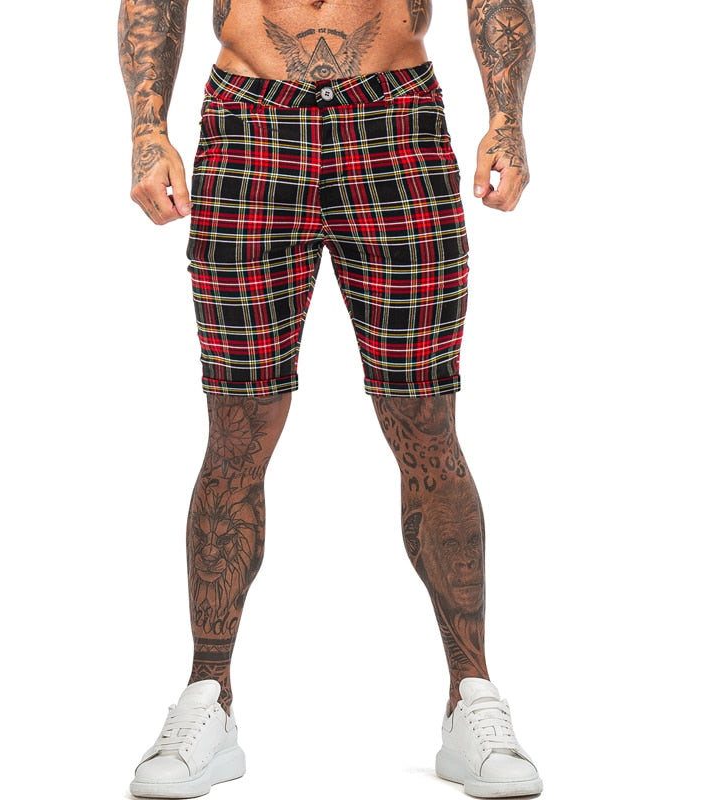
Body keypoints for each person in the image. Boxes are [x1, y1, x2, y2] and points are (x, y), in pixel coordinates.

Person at [118, 1, 540, 798]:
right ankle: (208, 700)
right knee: (237, 429)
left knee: (426, 423)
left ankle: (472, 699)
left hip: (395, 120)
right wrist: (148, 128)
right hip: (249, 122)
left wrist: (507, 119)